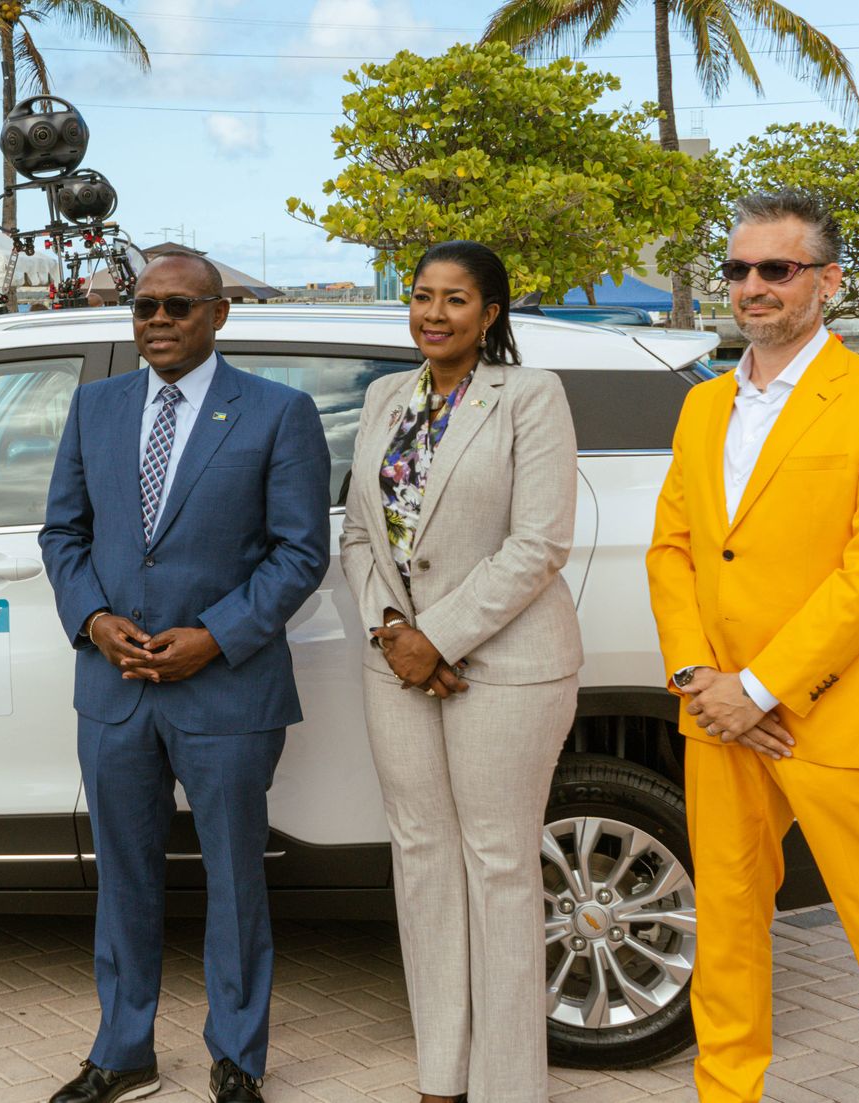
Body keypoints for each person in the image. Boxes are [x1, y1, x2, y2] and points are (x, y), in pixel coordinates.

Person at [647, 189, 859, 1102]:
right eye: (739, 268)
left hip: (837, 714)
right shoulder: (702, 408)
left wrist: (760, 686)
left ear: (825, 283)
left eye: (775, 269)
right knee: (730, 922)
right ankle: (728, 1088)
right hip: (716, 713)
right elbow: (672, 550)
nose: (753, 285)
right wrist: (697, 677)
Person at [38, 254, 331, 1103]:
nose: (156, 321)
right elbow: (62, 532)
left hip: (226, 688)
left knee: (235, 876)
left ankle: (237, 1055)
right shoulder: (97, 405)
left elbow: (299, 549)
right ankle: (122, 1048)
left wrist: (216, 635)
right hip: (114, 685)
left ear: (218, 314)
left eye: (175, 306)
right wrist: (94, 622)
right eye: (142, 307)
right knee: (123, 875)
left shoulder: (278, 411)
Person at [338, 241, 581, 1103]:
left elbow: (539, 542)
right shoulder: (380, 397)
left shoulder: (530, 396)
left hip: (507, 665)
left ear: (490, 314)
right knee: (423, 859)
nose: (432, 313)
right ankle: (440, 1072)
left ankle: (510, 1085)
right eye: (420, 296)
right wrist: (393, 631)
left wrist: (436, 636)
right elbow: (360, 533)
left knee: (500, 863)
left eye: (454, 299)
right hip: (395, 662)